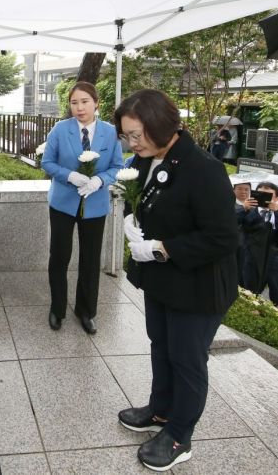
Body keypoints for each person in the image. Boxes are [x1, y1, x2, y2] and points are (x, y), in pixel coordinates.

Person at [115, 89, 238, 471]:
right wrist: (135, 222)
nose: (132, 144)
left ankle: (180, 435)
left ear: (163, 125)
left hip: (198, 285)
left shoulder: (203, 168)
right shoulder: (146, 158)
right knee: (161, 344)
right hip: (164, 282)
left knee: (187, 358)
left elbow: (223, 237)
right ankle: (161, 410)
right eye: (127, 136)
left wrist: (162, 248)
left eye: (137, 135)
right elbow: (152, 203)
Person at [41, 81, 123, 335]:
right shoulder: (60, 129)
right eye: (74, 102)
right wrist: (69, 176)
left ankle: (86, 311)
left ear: (96, 103)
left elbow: (117, 166)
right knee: (60, 256)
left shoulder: (109, 132)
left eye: (85, 101)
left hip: (95, 205)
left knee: (90, 260)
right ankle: (57, 308)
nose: (79, 107)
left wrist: (101, 180)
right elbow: (47, 162)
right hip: (63, 204)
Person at [237, 181, 278, 304]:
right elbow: (230, 222)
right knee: (245, 292)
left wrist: (276, 213)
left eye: (268, 195)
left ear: (276, 198)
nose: (264, 198)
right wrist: (244, 208)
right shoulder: (247, 210)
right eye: (260, 194)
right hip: (248, 258)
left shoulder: (276, 215)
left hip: (270, 261)